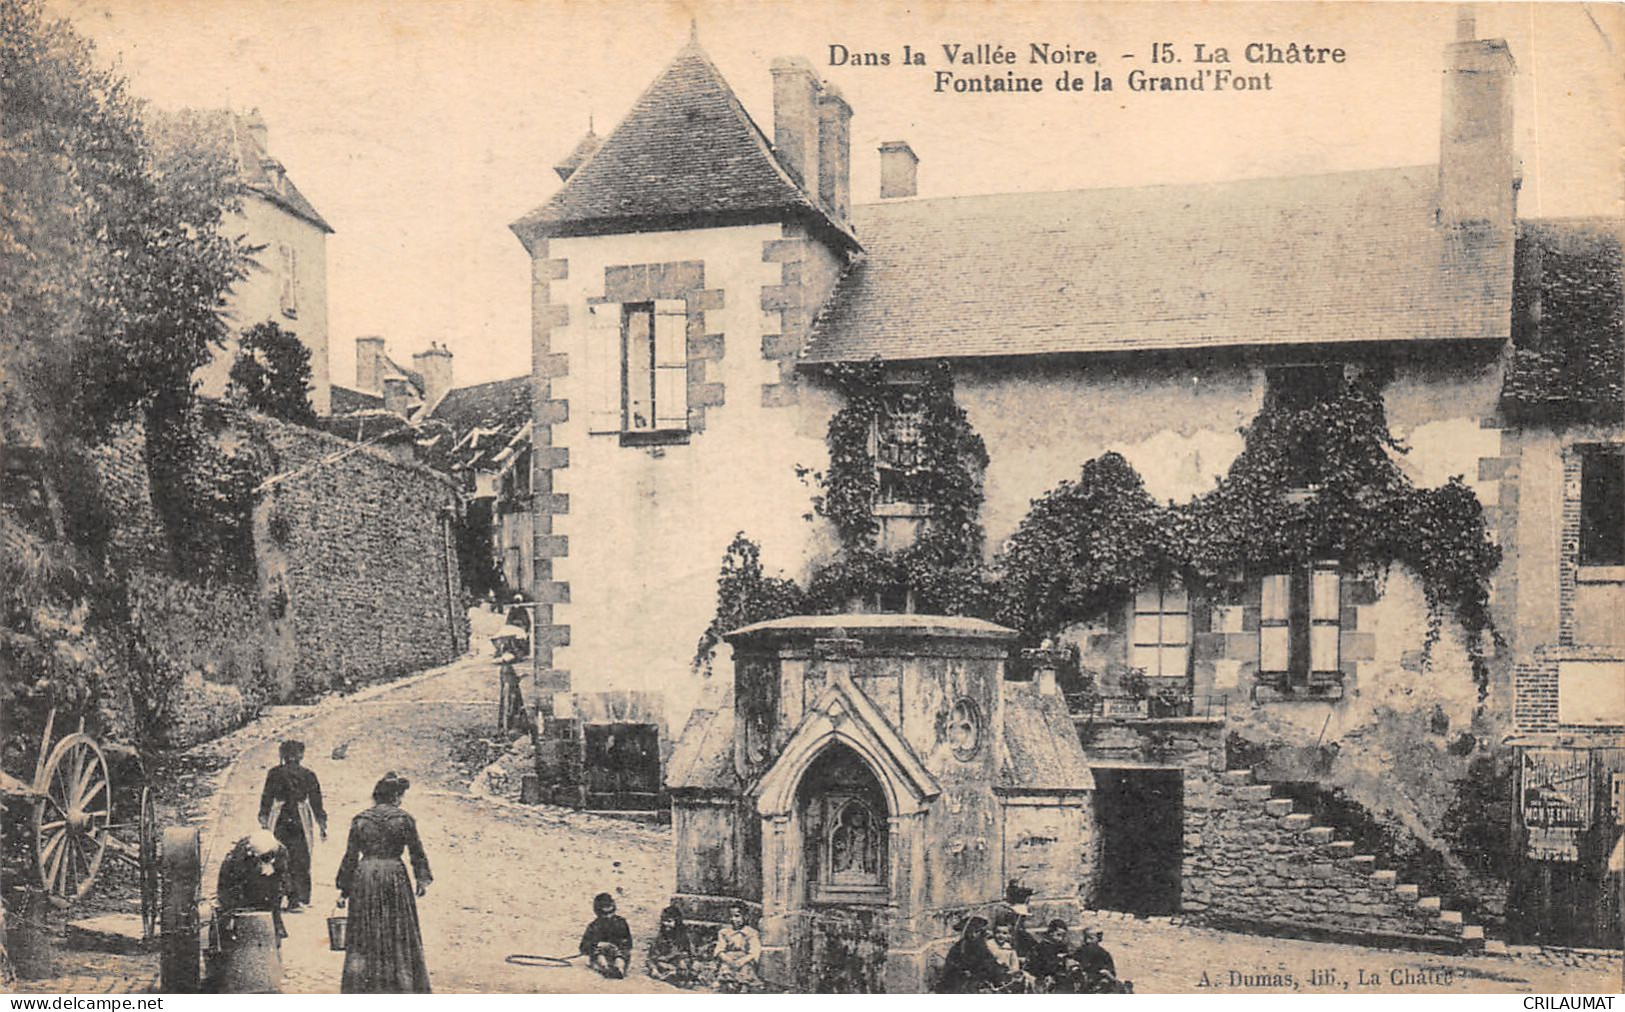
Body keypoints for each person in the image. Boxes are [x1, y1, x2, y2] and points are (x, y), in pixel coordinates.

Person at [335, 772, 432, 993]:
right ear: (396, 797)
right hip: (393, 875)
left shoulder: (360, 820)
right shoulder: (404, 819)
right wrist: (421, 879)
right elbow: (417, 852)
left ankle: (364, 986)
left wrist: (343, 890)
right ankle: (399, 984)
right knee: (397, 928)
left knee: (364, 930)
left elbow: (350, 857)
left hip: (365, 875)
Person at [257, 740, 327, 911]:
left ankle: (277, 895)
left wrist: (264, 817)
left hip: (280, 817)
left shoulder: (274, 773)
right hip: (300, 819)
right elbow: (316, 801)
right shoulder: (308, 774)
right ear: (301, 755)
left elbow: (266, 798)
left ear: (282, 755)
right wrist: (322, 824)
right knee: (300, 856)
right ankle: (297, 898)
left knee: (277, 853)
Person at [216, 830, 288, 940]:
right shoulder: (236, 859)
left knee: (272, 899)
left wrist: (273, 868)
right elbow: (229, 886)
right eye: (263, 857)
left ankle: (274, 930)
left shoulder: (279, 849)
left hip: (268, 886)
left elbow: (282, 873)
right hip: (244, 883)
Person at [935, 915, 1015, 994]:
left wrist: (1000, 969)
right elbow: (951, 969)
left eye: (976, 932)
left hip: (978, 981)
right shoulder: (959, 948)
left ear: (981, 932)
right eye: (970, 932)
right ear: (965, 932)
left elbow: (989, 963)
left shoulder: (981, 946)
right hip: (961, 983)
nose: (973, 935)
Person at [579, 893, 633, 979]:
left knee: (622, 954)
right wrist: (598, 944)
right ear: (598, 913)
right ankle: (606, 968)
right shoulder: (594, 926)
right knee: (599, 955)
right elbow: (583, 948)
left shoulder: (621, 923)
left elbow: (629, 943)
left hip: (617, 952)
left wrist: (617, 945)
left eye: (611, 912)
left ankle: (619, 968)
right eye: (604, 914)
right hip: (601, 954)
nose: (608, 916)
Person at [711, 903, 761, 993]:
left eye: (737, 916)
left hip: (743, 960)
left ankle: (743, 987)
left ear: (745, 917)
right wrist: (727, 959)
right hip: (728, 959)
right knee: (725, 970)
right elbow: (720, 949)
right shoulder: (724, 932)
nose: (733, 919)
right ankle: (727, 984)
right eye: (731, 916)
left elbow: (754, 950)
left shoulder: (751, 933)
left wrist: (743, 961)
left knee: (745, 971)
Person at [645, 904, 696, 987]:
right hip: (665, 964)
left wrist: (684, 960)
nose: (665, 924)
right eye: (664, 921)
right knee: (661, 965)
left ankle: (682, 977)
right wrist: (654, 968)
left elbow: (690, 953)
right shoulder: (660, 937)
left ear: (677, 922)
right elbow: (652, 957)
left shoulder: (684, 937)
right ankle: (675, 977)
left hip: (680, 963)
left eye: (669, 921)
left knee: (684, 965)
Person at [1073, 926, 1130, 993]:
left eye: (1091, 938)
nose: (1087, 941)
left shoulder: (1103, 954)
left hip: (1098, 983)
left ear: (1099, 939)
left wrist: (1105, 973)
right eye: (1085, 938)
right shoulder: (1080, 951)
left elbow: (1110, 974)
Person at [1025, 920, 1077, 993]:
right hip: (1043, 978)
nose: (1061, 938)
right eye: (1058, 935)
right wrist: (1058, 960)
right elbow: (1039, 966)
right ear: (1050, 933)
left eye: (1063, 935)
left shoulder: (1061, 946)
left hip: (1059, 978)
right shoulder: (1042, 947)